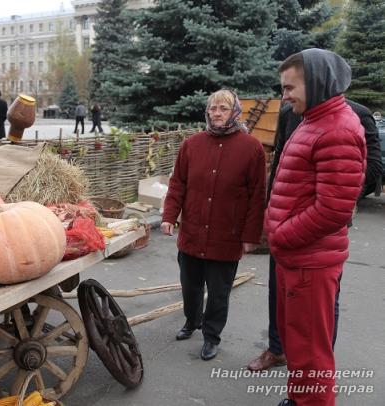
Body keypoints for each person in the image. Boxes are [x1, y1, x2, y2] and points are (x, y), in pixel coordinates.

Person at [247, 98, 382, 373]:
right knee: (278, 289)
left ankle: (318, 361)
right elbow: (281, 163)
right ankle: (277, 349)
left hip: (321, 228)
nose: (286, 95)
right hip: (283, 223)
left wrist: (334, 188)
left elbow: (375, 168)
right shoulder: (290, 113)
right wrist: (270, 209)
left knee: (322, 300)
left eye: (291, 86)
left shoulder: (357, 115)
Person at [265, 49, 366, 406]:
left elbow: (333, 210)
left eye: (290, 87)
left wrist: (281, 235)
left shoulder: (337, 128)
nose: (285, 95)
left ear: (318, 81)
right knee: (298, 343)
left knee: (310, 352)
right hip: (297, 257)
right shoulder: (314, 120)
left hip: (308, 261)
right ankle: (298, 399)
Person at [161, 89, 266, 361]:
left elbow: (257, 196)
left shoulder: (251, 148)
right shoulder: (192, 145)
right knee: (190, 286)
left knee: (219, 293)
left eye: (223, 108)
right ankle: (191, 321)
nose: (217, 113)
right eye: (213, 108)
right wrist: (169, 217)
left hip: (226, 236)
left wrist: (251, 236)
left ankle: (211, 336)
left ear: (235, 112)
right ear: (207, 112)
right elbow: (177, 184)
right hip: (192, 233)